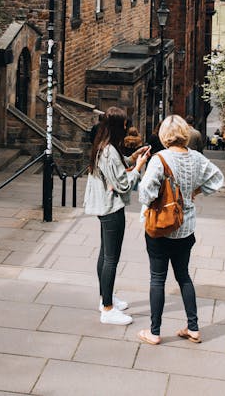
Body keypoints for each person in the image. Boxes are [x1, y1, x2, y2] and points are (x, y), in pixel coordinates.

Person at [137, 114, 223, 345]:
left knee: (157, 279)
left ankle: (154, 332)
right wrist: (196, 192)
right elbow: (217, 178)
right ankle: (193, 328)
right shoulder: (196, 158)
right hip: (186, 227)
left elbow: (145, 193)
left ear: (164, 136)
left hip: (160, 228)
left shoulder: (159, 159)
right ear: (185, 134)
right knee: (184, 276)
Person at [84, 106, 150, 325]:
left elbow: (116, 168)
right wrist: (139, 167)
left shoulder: (104, 145)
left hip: (104, 207)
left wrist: (132, 158)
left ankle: (106, 297)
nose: (126, 127)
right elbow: (123, 184)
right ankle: (108, 309)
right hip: (111, 209)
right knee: (111, 258)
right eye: (124, 124)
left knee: (105, 254)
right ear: (116, 126)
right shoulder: (110, 152)